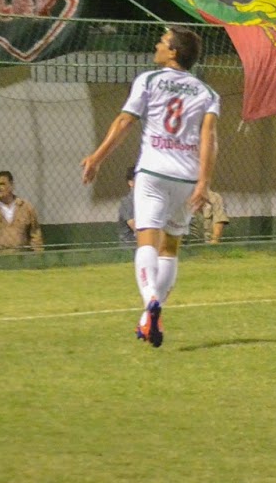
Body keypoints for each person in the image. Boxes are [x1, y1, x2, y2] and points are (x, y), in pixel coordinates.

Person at [82, 27, 220, 348]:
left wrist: (97, 157)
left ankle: (150, 302)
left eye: (162, 42)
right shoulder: (207, 93)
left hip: (153, 173)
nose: (156, 45)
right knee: (170, 248)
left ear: (173, 52)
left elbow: (125, 121)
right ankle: (149, 316)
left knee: (146, 240)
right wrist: (204, 182)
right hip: (186, 179)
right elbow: (209, 139)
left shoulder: (148, 80)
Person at [0, 171, 45, 253]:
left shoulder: (26, 208)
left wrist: (38, 256)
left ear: (11, 186)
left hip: (21, 259)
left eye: (2, 184)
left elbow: (35, 236)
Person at [117, 168, 137, 246]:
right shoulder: (127, 201)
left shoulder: (147, 200)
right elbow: (134, 225)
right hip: (129, 246)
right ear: (130, 183)